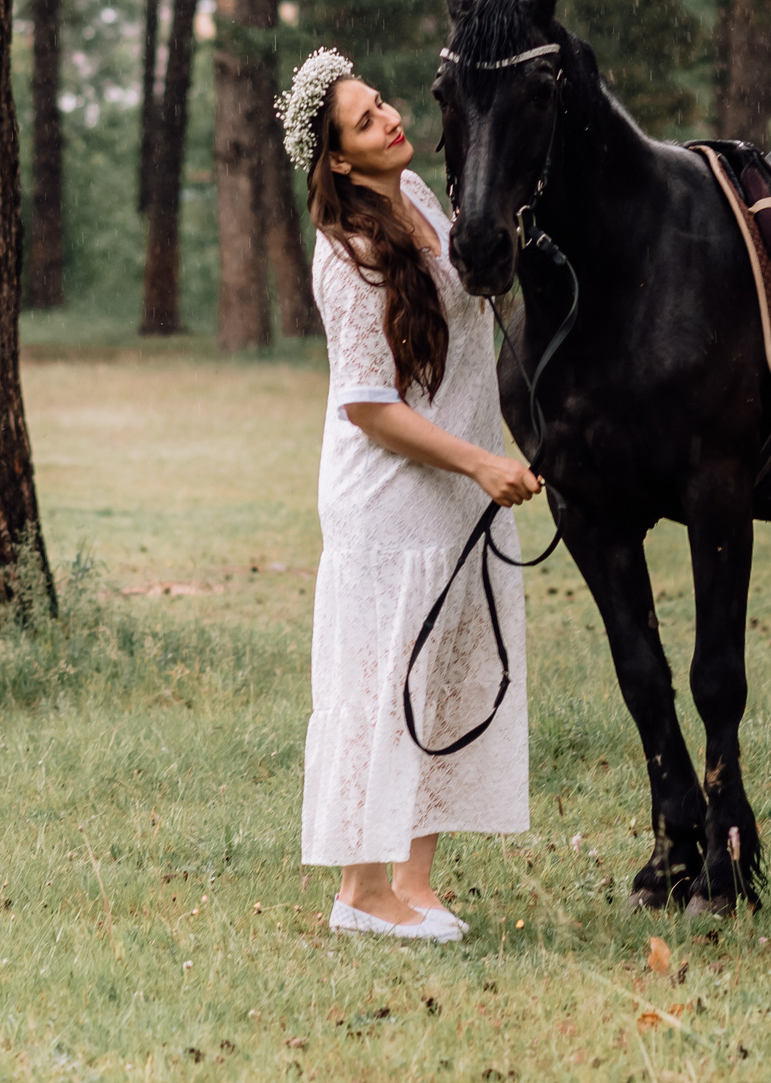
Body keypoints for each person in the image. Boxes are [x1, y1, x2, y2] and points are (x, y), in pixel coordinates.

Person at [276, 47, 542, 943]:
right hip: (391, 499)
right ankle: (360, 890)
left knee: (442, 678)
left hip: (459, 488)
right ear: (340, 161)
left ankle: (415, 883)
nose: (390, 117)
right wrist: (475, 461)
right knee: (383, 683)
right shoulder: (345, 252)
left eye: (382, 102)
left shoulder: (424, 200)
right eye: (364, 121)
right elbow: (369, 408)